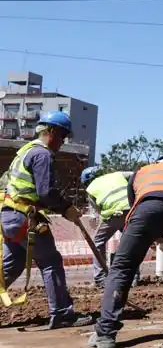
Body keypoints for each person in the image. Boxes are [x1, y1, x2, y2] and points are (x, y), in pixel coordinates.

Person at [89, 151, 163, 348]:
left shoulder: (141, 171)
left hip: (145, 210)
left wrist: (154, 234)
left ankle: (105, 333)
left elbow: (135, 205)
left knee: (122, 268)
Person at [0, 111, 93, 328]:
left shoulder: (24, 152)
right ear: (51, 132)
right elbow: (46, 192)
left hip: (9, 216)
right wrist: (66, 208)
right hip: (25, 217)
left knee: (11, 267)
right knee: (50, 261)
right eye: (62, 136)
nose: (63, 141)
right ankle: (62, 314)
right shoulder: (43, 155)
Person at [80, 165, 139, 287]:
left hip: (114, 214)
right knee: (133, 242)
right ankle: (134, 277)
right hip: (133, 210)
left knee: (98, 241)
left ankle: (100, 278)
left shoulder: (90, 189)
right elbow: (136, 174)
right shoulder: (117, 175)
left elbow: (97, 212)